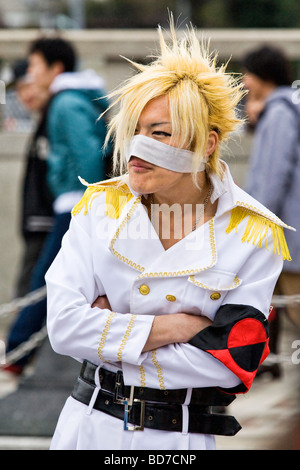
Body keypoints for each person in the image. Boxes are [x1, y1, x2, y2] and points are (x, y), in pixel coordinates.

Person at [45, 21, 293, 450]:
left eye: (160, 133)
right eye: (135, 130)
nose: (138, 149)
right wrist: (176, 326)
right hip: (86, 430)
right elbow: (64, 327)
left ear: (207, 143)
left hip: (182, 440)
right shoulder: (99, 209)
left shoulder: (254, 233)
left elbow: (231, 360)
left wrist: (110, 329)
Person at [5, 37, 111, 374]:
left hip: (75, 203)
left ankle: (17, 353)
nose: (32, 73)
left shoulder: (65, 103)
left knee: (46, 277)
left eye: (35, 65)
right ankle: (20, 352)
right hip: (78, 202)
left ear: (56, 68)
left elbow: (87, 154)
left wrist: (81, 195)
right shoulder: (75, 98)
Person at [242, 45, 300, 376]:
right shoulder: (286, 107)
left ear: (264, 75)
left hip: (287, 234)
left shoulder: (279, 113)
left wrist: (256, 225)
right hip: (289, 231)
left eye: (249, 73)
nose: (245, 81)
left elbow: (272, 177)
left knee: (293, 307)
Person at [7, 59, 53, 299]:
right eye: (18, 91)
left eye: (28, 86)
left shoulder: (61, 114)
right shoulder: (44, 120)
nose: (24, 95)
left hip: (49, 221)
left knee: (32, 293)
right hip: (39, 221)